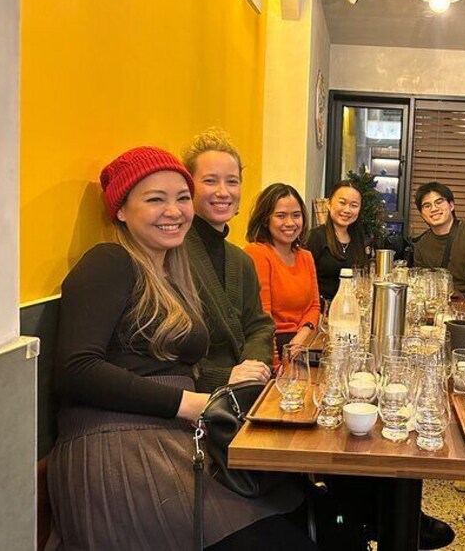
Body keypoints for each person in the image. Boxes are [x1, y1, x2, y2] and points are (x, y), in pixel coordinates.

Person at [49, 146, 311, 550]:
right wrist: (191, 404)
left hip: (168, 434)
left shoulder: (172, 272)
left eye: (182, 198)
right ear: (121, 210)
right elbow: (76, 370)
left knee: (301, 501)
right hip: (118, 449)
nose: (173, 211)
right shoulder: (109, 260)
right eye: (155, 199)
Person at [182, 127, 275, 393]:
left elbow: (259, 325)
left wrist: (250, 367)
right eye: (210, 181)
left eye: (232, 182)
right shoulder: (173, 254)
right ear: (188, 187)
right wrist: (226, 376)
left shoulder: (240, 260)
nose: (223, 192)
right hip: (196, 396)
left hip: (243, 389)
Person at [244, 184, 320, 356]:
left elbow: (314, 306)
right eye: (281, 216)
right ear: (265, 219)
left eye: (296, 215)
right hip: (272, 348)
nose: (290, 223)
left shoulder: (306, 256)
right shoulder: (257, 253)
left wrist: (303, 335)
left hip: (303, 342)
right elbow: (263, 322)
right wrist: (278, 364)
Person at [412, 181, 465, 300]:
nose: (434, 209)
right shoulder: (421, 245)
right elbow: (422, 285)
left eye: (439, 202)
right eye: (427, 206)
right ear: (422, 213)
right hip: (437, 304)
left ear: (451, 205)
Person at [306, 180, 369, 302]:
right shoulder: (315, 237)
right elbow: (305, 281)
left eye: (354, 205)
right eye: (342, 203)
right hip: (322, 308)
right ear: (328, 204)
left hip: (351, 307)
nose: (347, 210)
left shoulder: (358, 239)